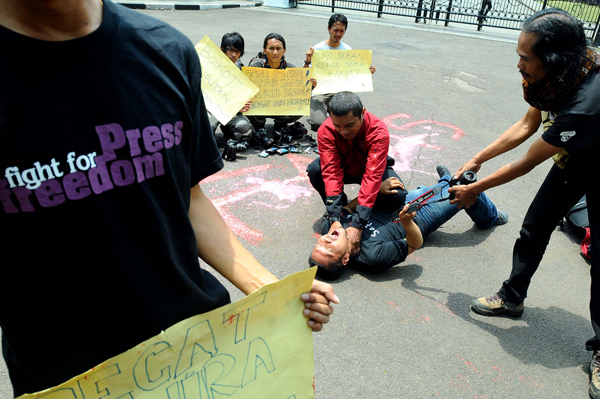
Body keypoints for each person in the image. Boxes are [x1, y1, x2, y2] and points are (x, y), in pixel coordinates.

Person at [0, 1, 338, 395]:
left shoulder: (167, 51)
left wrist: (268, 288)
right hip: (69, 378)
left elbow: (187, 197)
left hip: (197, 352)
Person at [447, 9, 600, 398]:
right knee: (535, 226)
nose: (518, 65)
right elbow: (527, 124)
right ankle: (512, 298)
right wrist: (479, 157)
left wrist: (474, 189)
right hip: (578, 155)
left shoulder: (584, 104)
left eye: (524, 58)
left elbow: (529, 160)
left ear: (551, 61)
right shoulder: (562, 75)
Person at [309, 165, 507, 279]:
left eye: (319, 244)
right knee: (464, 190)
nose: (325, 241)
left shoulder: (331, 226)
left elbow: (350, 208)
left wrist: (376, 191)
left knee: (399, 181)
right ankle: (490, 217)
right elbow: (415, 243)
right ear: (345, 259)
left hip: (397, 201)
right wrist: (407, 223)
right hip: (420, 217)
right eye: (328, 249)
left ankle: (444, 182)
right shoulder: (372, 257)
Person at [307, 91, 404, 257]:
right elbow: (331, 173)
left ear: (363, 113)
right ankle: (342, 210)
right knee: (315, 170)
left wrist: (358, 225)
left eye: (349, 125)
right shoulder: (325, 130)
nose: (343, 132)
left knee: (398, 195)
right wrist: (335, 218)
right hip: (345, 168)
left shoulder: (378, 130)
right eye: (337, 126)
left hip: (372, 169)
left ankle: (358, 211)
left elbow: (372, 176)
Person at [304, 13, 377, 131]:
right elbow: (305, 75)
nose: (338, 34)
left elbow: (353, 73)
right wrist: (307, 61)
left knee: (356, 119)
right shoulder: (317, 49)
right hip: (320, 92)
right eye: (335, 30)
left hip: (340, 91)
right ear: (328, 28)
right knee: (318, 124)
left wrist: (366, 72)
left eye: (342, 31)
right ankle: (329, 113)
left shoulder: (347, 50)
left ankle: (333, 113)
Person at [247, 33, 316, 133]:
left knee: (302, 104)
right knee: (248, 102)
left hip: (281, 106)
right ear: (264, 50)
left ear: (284, 51)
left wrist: (310, 85)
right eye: (271, 48)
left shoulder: (290, 68)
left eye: (278, 48)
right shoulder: (255, 67)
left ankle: (281, 124)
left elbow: (300, 90)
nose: (275, 52)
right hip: (261, 107)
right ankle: (258, 126)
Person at [207, 32, 253, 142]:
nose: (234, 55)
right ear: (221, 49)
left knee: (243, 125)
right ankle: (208, 136)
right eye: (230, 50)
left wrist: (242, 106)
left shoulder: (240, 69)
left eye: (237, 51)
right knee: (209, 123)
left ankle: (227, 129)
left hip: (229, 110)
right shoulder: (209, 65)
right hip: (210, 109)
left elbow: (239, 96)